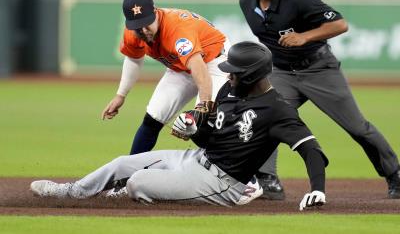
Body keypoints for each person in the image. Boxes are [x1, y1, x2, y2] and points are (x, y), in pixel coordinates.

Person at [30, 41, 328, 211]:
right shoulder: (227, 91)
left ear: (251, 76)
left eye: (234, 73)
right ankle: (72, 191)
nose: (228, 77)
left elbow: (311, 149)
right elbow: (209, 140)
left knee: (138, 182)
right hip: (199, 160)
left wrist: (318, 190)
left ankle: (130, 196)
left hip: (223, 183)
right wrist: (194, 131)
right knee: (123, 164)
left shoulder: (278, 110)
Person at [239, 0, 400, 200]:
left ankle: (395, 174)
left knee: (357, 127)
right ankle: (267, 179)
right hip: (282, 72)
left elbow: (340, 24)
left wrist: (304, 37)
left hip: (318, 69)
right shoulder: (246, 2)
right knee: (265, 118)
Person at [102, 0, 230, 162]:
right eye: (137, 26)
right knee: (153, 119)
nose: (143, 30)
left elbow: (198, 65)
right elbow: (133, 59)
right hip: (180, 66)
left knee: (205, 125)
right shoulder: (133, 33)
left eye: (147, 23)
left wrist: (203, 106)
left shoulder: (177, 28)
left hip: (214, 61)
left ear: (155, 12)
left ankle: (247, 180)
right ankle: (127, 176)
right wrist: (121, 94)